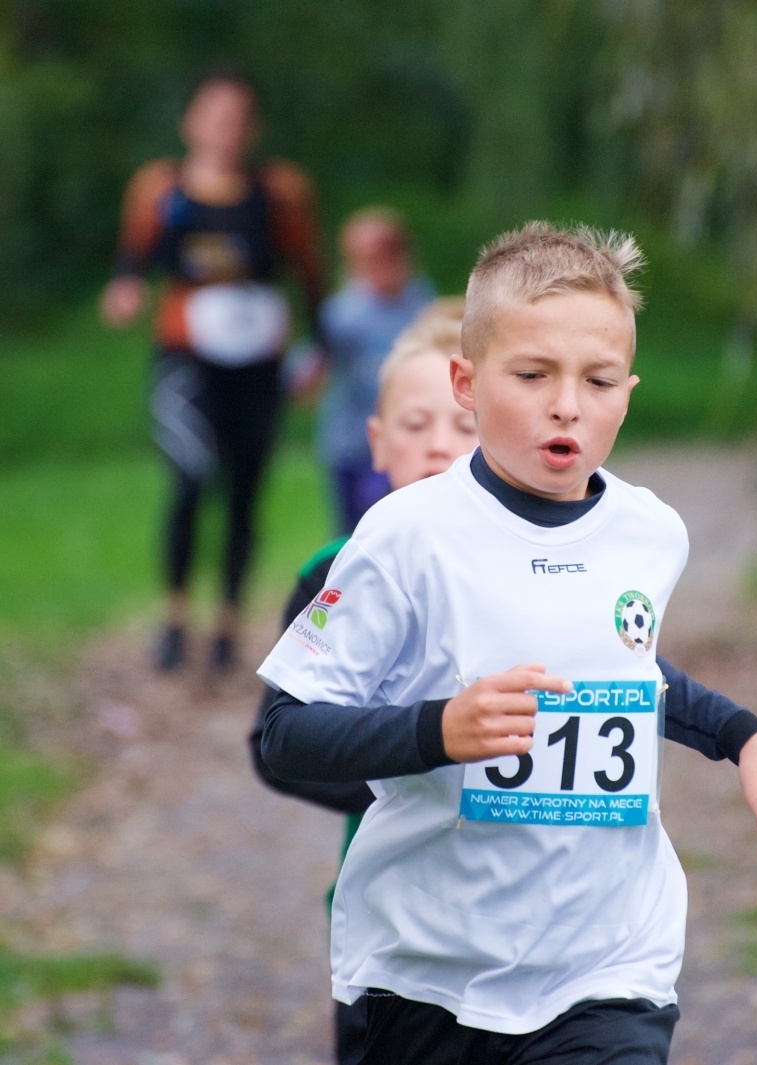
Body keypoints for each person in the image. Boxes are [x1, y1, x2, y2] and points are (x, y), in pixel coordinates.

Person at [255, 223, 757, 1064]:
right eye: (533, 375)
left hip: (609, 967)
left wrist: (746, 738)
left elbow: (625, 667)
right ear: (468, 383)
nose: (568, 404)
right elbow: (283, 734)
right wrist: (437, 730)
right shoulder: (405, 536)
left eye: (597, 380)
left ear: (627, 391)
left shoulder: (650, 533)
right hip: (430, 973)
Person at [251, 298, 477, 1064]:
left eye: (465, 427)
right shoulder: (335, 572)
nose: (440, 448)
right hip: (390, 920)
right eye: (417, 426)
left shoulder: (562, 572)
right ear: (378, 442)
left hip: (538, 925)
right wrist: (413, 764)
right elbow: (274, 744)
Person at [101, 68, 325, 674]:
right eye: (214, 116)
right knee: (190, 479)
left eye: (237, 119)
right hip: (186, 355)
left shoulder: (279, 191)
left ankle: (227, 622)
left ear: (250, 129)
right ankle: (175, 618)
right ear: (191, 124)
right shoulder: (160, 187)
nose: (225, 130)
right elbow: (132, 258)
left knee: (246, 491)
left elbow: (309, 271)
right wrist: (123, 289)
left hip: (259, 359)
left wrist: (320, 349)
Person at [316, 208, 436, 534]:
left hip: (406, 439)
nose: (380, 265)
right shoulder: (340, 313)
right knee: (352, 533)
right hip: (350, 440)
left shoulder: (424, 307)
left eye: (389, 253)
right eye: (368, 257)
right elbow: (313, 366)